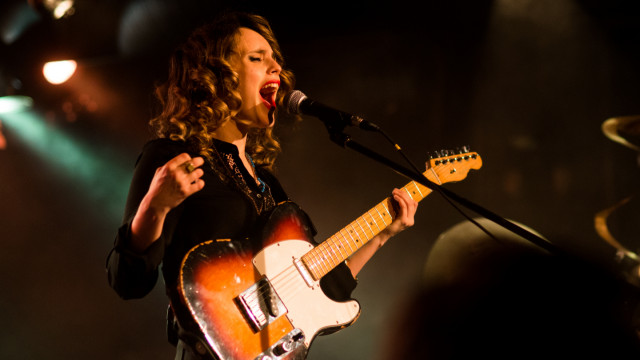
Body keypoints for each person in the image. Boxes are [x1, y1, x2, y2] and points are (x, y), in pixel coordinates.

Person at [106, 11, 418, 360]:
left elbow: (319, 290)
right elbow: (128, 282)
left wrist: (382, 234)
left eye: (276, 60)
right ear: (218, 75)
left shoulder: (267, 183)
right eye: (258, 58)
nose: (277, 69)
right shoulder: (172, 158)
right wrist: (155, 206)